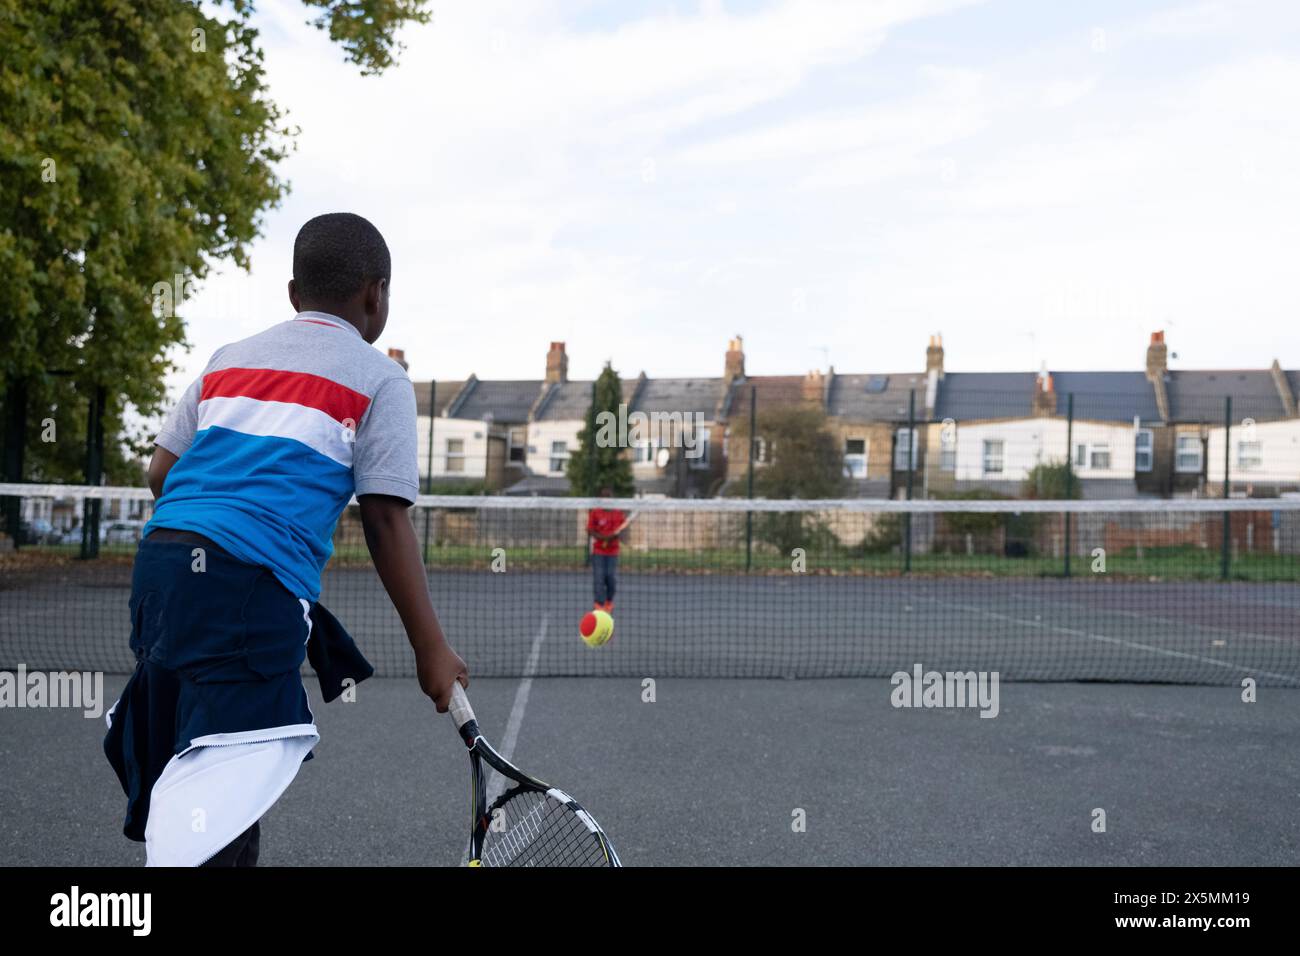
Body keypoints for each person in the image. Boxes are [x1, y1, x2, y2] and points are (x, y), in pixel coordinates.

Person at [103, 212, 468, 866]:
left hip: (158, 570)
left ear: (293, 294)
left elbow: (161, 471)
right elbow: (385, 520)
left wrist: (210, 547)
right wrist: (431, 649)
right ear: (375, 295)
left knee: (204, 786)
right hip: (244, 594)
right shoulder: (378, 378)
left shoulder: (227, 359)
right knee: (214, 811)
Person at [586, 486, 628, 612]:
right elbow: (590, 530)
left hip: (613, 552)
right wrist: (603, 537)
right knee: (599, 577)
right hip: (598, 551)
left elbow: (623, 530)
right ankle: (599, 603)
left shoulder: (617, 513)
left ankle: (609, 601)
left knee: (610, 577)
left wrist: (615, 536)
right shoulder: (595, 512)